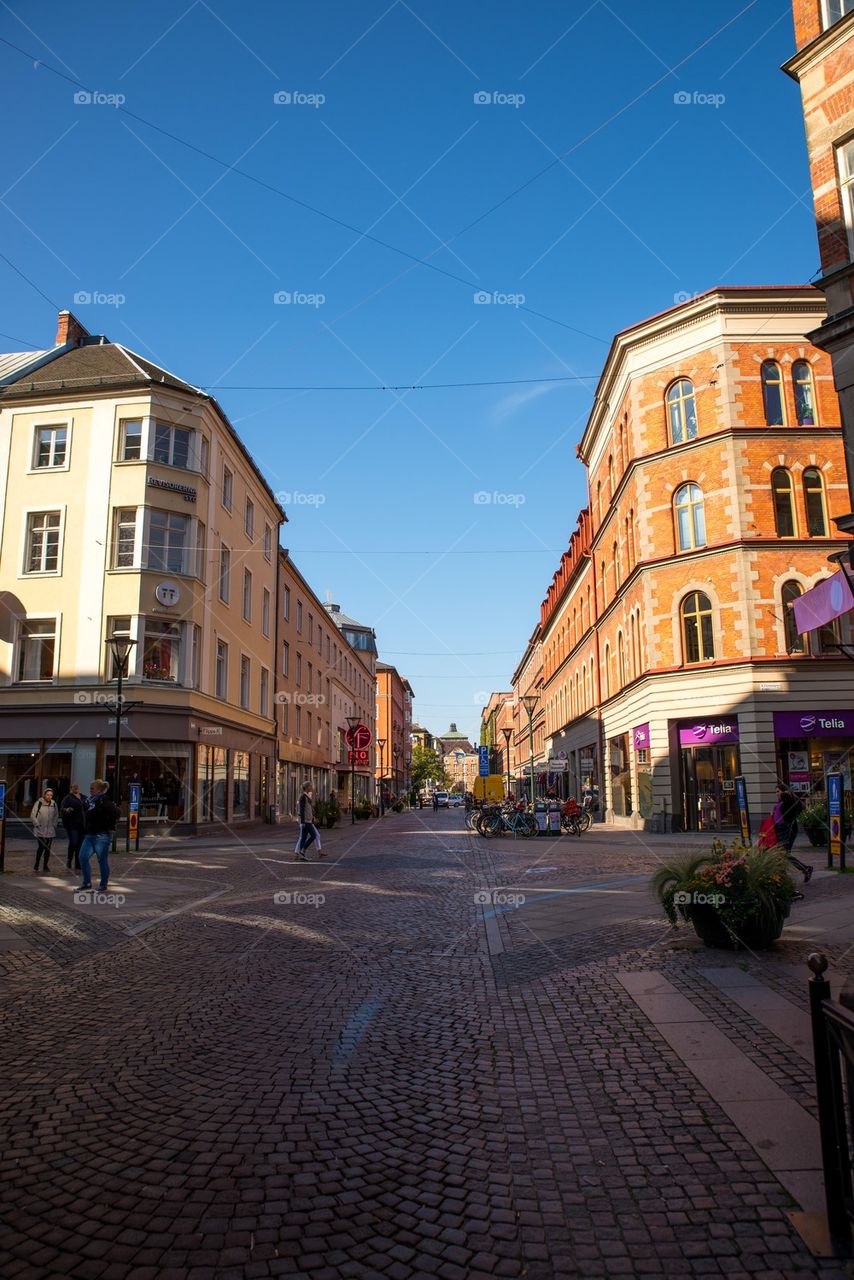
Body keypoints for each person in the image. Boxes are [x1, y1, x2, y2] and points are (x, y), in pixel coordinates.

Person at [76, 780, 118, 892]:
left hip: (101, 835)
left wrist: (111, 827)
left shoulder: (104, 801)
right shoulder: (89, 801)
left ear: (99, 789)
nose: (90, 790)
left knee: (102, 860)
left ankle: (103, 884)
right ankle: (87, 883)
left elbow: (115, 813)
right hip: (89, 834)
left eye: (92, 788)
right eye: (90, 788)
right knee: (83, 857)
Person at [774, 783, 812, 882]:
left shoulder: (788, 800)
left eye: (778, 791)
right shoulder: (781, 802)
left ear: (784, 792)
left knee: (783, 853)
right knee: (783, 854)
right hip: (780, 830)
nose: (777, 794)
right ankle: (803, 869)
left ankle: (784, 875)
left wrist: (785, 793)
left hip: (788, 830)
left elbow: (793, 806)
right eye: (776, 792)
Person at [31, 788, 59, 873]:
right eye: (48, 795)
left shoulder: (54, 804)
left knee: (48, 848)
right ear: (44, 795)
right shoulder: (38, 803)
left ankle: (45, 865)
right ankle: (37, 864)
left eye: (51, 795)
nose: (49, 796)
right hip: (40, 829)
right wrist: (37, 824)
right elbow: (33, 815)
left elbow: (56, 815)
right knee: (41, 847)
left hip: (50, 830)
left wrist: (54, 825)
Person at [60, 783, 85, 873]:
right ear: (71, 788)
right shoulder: (68, 798)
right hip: (72, 824)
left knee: (80, 844)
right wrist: (67, 810)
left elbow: (88, 807)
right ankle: (69, 860)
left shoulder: (83, 797)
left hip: (82, 825)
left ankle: (78, 863)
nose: (76, 788)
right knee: (74, 842)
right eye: (74, 787)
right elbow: (62, 808)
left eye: (77, 787)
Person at [295, 782, 319, 861]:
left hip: (308, 820)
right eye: (310, 786)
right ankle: (302, 851)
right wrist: (302, 822)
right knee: (314, 835)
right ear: (307, 787)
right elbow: (302, 810)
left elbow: (309, 810)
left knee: (303, 838)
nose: (311, 787)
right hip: (305, 821)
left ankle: (301, 854)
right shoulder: (303, 797)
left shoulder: (307, 796)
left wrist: (312, 818)